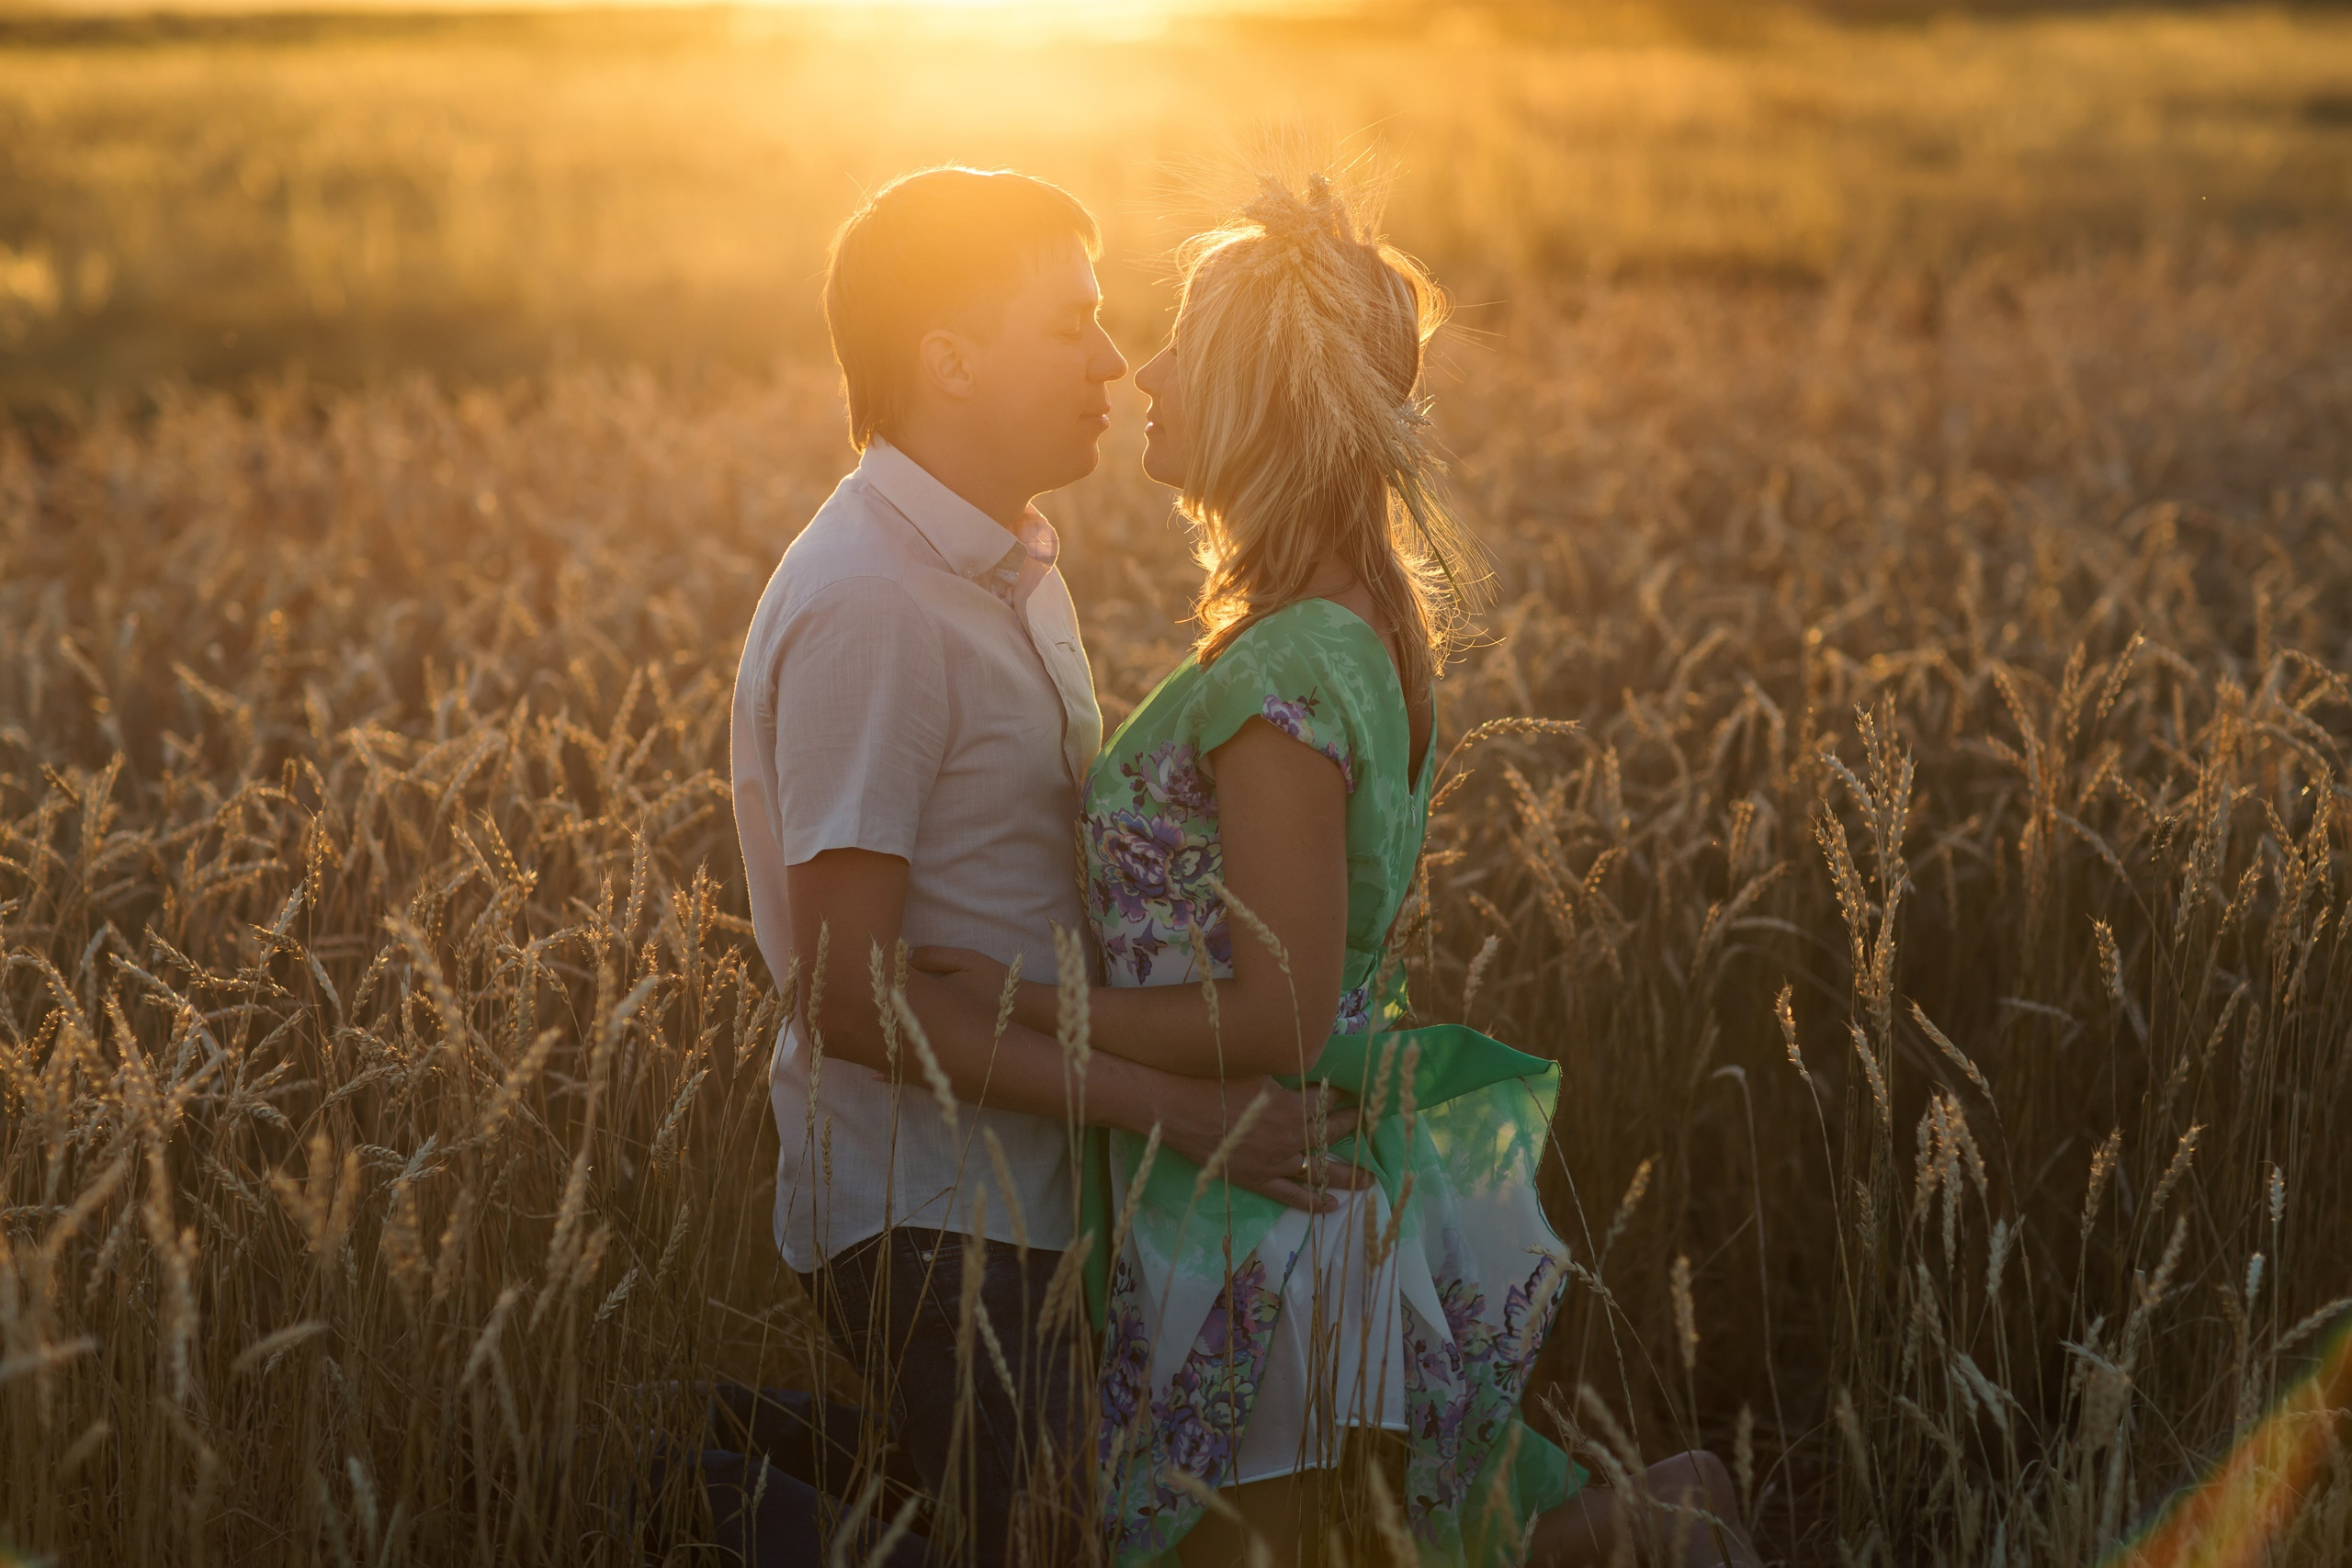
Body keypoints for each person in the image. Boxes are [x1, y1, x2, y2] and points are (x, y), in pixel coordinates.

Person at [914, 175, 1764, 1568]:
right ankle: (1668, 1525)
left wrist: (1024, 1007)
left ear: (1263, 394)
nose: (1146, 375)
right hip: (1291, 1164)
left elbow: (1283, 1010)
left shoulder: (1290, 667)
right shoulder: (1350, 621)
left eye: (1187, 349)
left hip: (1254, 1202)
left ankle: (1670, 1526)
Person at [729, 166, 1364, 1568]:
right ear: (949, 360)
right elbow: (843, 997)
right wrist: (1169, 1108)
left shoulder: (1008, 564)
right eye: (1069, 324)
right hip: (934, 1211)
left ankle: (696, 1462)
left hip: (1034, 1187)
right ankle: (664, 1491)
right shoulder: (874, 605)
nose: (1113, 361)